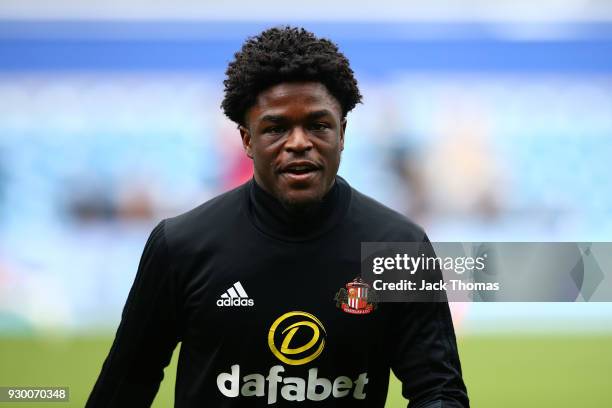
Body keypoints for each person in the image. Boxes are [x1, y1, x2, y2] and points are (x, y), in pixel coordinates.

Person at [86, 26, 469, 407]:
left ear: (343, 133)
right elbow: (125, 385)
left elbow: (439, 390)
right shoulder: (181, 245)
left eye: (318, 125)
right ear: (247, 140)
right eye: (276, 128)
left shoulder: (398, 247)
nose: (299, 142)